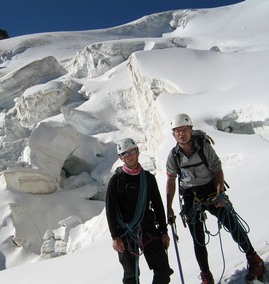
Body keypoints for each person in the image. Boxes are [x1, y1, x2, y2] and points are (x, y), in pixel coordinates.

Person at [166, 113, 266, 284]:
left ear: (190, 130)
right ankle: (206, 275)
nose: (181, 134)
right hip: (191, 197)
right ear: (173, 134)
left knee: (232, 225)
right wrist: (169, 207)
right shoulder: (173, 156)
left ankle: (253, 257)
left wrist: (220, 193)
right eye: (177, 131)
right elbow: (171, 180)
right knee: (198, 240)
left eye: (184, 130)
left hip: (211, 190)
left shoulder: (204, 148)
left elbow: (217, 170)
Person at [106, 138, 173, 284]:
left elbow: (158, 205)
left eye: (132, 151)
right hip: (125, 233)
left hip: (148, 228)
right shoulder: (116, 181)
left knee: (163, 270)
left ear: (138, 152)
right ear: (121, 158)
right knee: (131, 276)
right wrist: (115, 236)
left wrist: (163, 231)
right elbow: (110, 210)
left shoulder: (148, 178)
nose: (130, 156)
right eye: (125, 153)